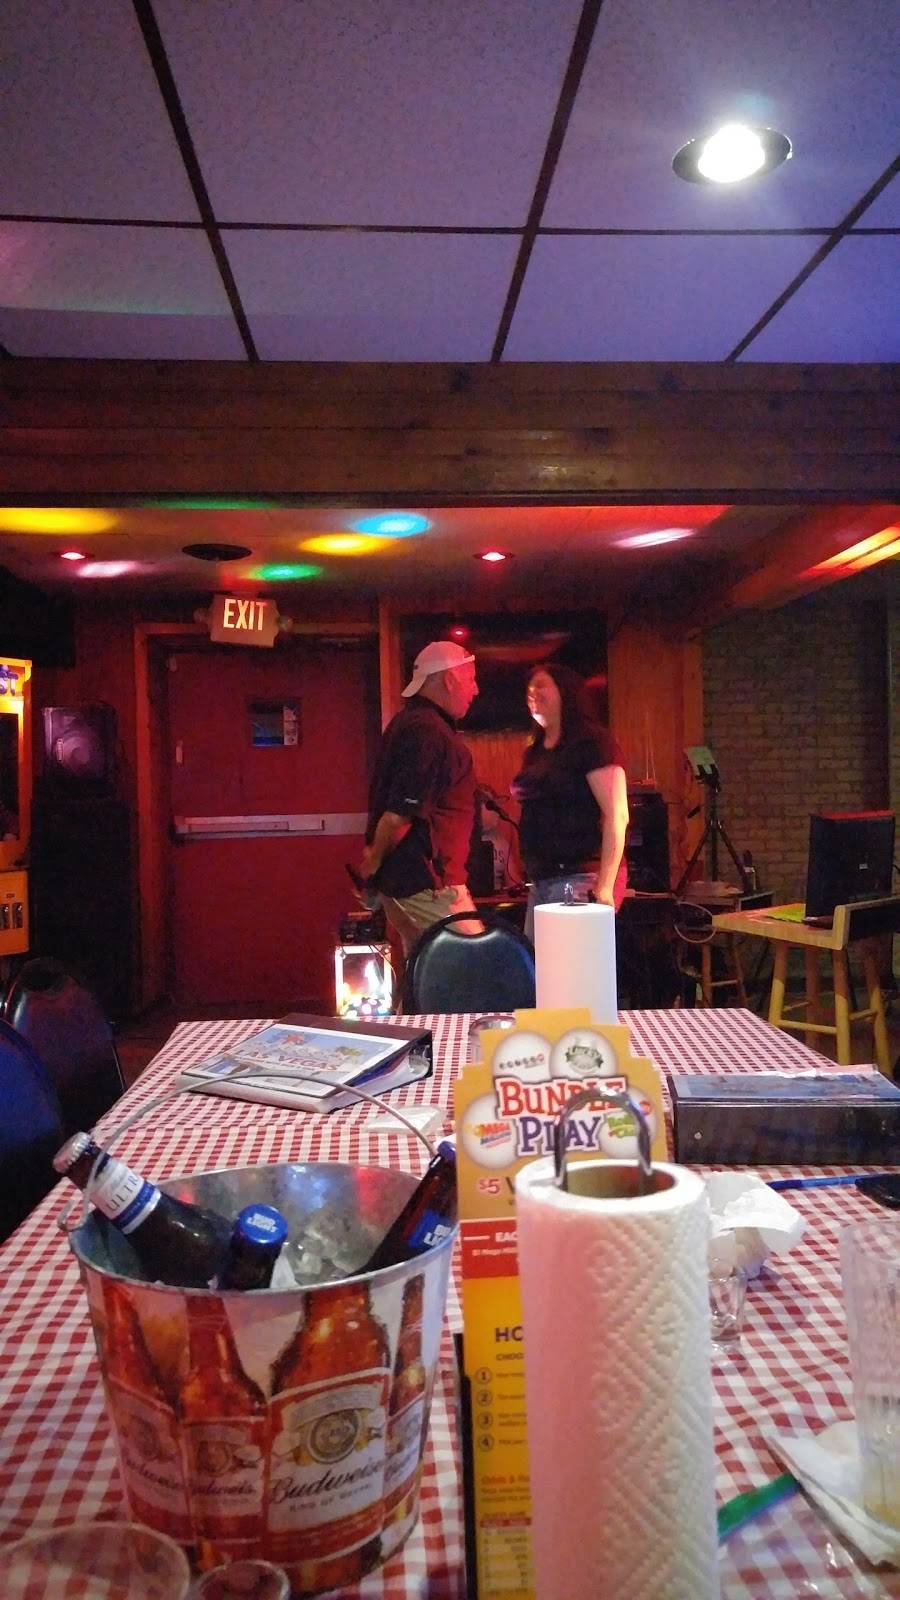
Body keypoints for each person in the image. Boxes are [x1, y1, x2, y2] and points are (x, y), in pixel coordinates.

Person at [360, 640, 481, 955]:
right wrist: (372, 863)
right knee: (478, 967)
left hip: (406, 884)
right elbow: (398, 815)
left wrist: (376, 870)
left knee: (426, 974)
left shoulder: (406, 724)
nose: (476, 689)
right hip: (428, 885)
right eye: (470, 679)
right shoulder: (431, 734)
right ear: (450, 680)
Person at [511, 662, 629, 941]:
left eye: (541, 685)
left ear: (565, 691)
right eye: (529, 690)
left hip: (580, 877)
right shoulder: (536, 751)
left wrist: (605, 886)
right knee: (539, 964)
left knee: (568, 964)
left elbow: (617, 814)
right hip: (543, 880)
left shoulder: (591, 742)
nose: (532, 693)